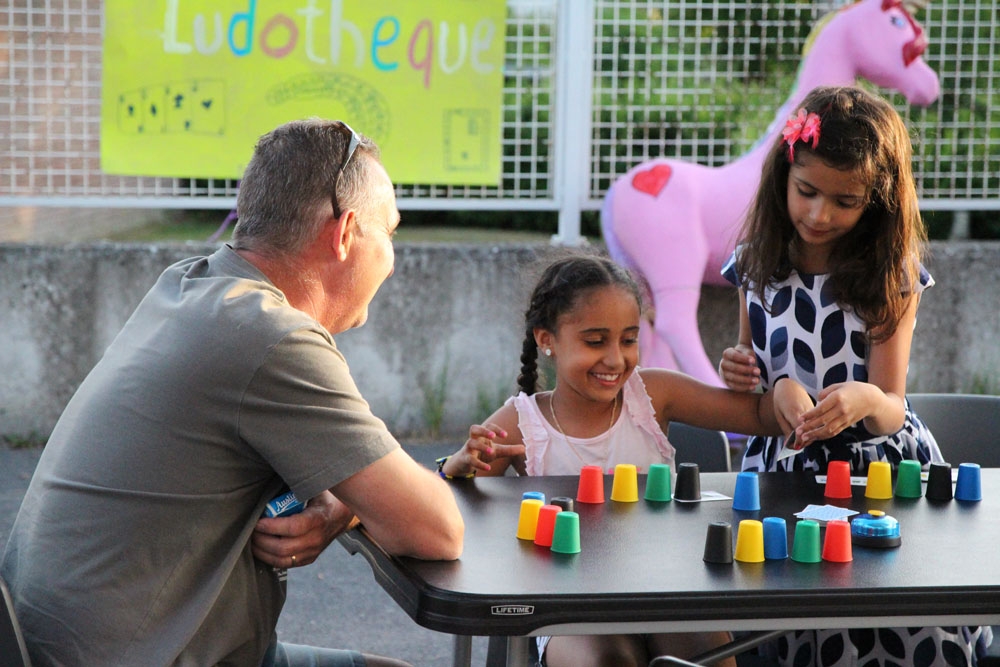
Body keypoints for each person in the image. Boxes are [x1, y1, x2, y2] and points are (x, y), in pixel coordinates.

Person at [0, 118, 464, 667]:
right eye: (388, 233)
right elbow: (437, 530)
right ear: (345, 234)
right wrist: (350, 508)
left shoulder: (188, 283)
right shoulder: (269, 337)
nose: (392, 259)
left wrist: (343, 506)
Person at [719, 86, 992, 665]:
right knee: (794, 622)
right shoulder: (755, 264)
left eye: (845, 201)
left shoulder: (891, 276)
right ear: (784, 178)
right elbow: (751, 367)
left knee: (892, 617)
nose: (819, 215)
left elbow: (893, 404)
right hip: (785, 470)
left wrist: (864, 398)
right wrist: (739, 368)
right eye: (807, 192)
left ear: (878, 201)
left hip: (879, 474)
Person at [440, 254, 787, 667]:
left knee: (707, 656)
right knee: (609, 660)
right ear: (547, 339)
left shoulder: (655, 393)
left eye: (628, 340)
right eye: (595, 341)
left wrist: (786, 394)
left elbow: (759, 416)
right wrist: (455, 469)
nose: (615, 359)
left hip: (665, 591)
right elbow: (446, 509)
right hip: (569, 607)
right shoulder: (520, 423)